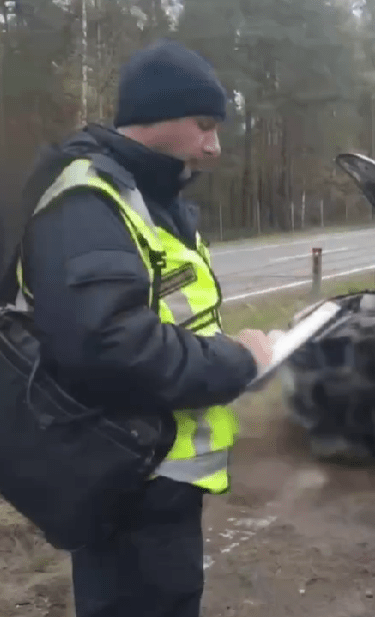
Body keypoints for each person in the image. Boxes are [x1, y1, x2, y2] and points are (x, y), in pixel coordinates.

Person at [15, 39, 273, 617]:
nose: (214, 146)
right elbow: (110, 346)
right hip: (123, 481)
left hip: (156, 478)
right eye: (204, 124)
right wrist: (240, 362)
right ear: (153, 117)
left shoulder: (148, 197)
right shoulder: (86, 202)